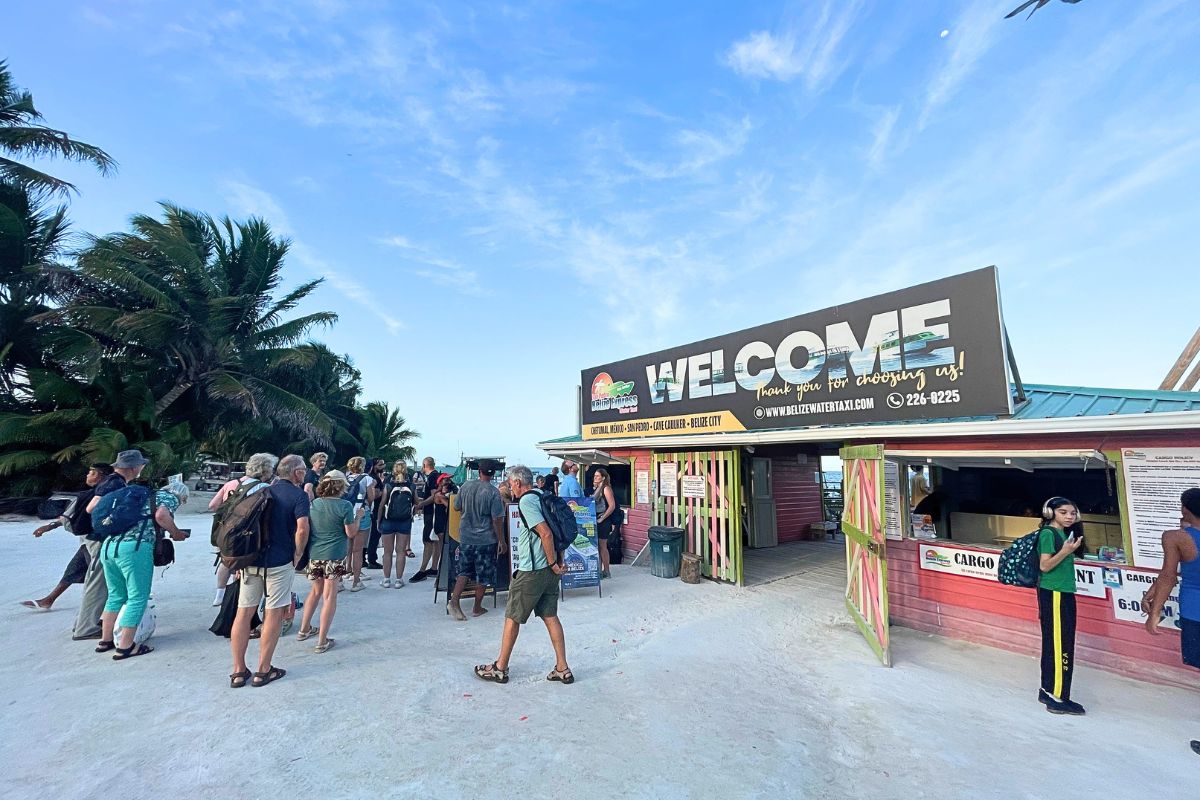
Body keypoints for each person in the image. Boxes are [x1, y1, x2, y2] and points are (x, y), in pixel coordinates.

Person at [475, 465, 571, 685]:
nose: (510, 487)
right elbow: (558, 533)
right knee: (550, 616)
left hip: (532, 570)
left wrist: (552, 563)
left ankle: (500, 668)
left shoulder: (527, 501)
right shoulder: (544, 497)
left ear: (518, 482)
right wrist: (557, 563)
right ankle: (562, 668)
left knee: (512, 617)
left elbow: (546, 533)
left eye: (510, 483)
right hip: (549, 571)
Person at [230, 454, 309, 688]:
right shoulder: (298, 495)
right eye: (303, 470)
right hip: (279, 562)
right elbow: (302, 529)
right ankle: (263, 670)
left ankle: (238, 670)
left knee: (243, 614)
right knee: (273, 613)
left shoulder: (259, 489)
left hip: (251, 560)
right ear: (296, 473)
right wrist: (297, 554)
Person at [97, 468, 191, 659]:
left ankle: (105, 640)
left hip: (108, 546)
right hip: (134, 548)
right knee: (137, 597)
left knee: (115, 595)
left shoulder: (142, 496)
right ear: (181, 495)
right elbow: (161, 516)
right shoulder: (170, 496)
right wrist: (176, 533)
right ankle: (125, 646)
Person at [1143, 487, 1200, 756]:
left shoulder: (1176, 537)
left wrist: (1155, 612)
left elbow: (1169, 575)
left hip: (1196, 614)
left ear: (1184, 509)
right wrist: (1152, 592)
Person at [22, 463, 112, 611]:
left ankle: (98, 611)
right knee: (75, 570)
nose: (88, 475)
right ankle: (49, 600)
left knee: (96, 577)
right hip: (91, 541)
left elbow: (68, 517)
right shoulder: (104, 493)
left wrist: (49, 526)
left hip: (95, 541)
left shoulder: (92, 495)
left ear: (101, 475)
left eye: (91, 472)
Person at [74, 452, 140, 640]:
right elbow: (91, 508)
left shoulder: (113, 481)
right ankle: (86, 628)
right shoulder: (115, 483)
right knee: (97, 583)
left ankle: (83, 623)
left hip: (95, 536)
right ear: (133, 467)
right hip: (98, 537)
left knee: (97, 581)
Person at [296, 470, 359, 653]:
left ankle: (304, 629)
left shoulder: (314, 504)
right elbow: (351, 533)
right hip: (335, 555)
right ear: (341, 486)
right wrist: (359, 517)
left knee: (315, 591)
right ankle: (322, 640)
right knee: (329, 596)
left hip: (315, 554)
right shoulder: (345, 506)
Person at [1035, 496, 1085, 715]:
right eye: (1063, 512)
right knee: (1059, 646)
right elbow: (1045, 566)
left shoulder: (1064, 534)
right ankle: (1057, 697)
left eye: (1072, 513)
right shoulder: (1048, 533)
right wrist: (1066, 551)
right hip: (1054, 593)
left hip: (1062, 592)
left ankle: (1048, 690)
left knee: (1059, 644)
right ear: (1050, 513)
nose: (1069, 516)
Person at [208, 453, 277, 607]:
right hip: (245, 537)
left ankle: (220, 594)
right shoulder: (263, 488)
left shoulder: (234, 483)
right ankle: (237, 598)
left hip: (226, 532)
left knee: (226, 563)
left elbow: (213, 505)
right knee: (244, 573)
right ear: (265, 470)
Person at [450, 459, 507, 620]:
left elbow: (456, 506)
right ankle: (477, 607)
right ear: (493, 473)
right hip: (486, 539)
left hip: (466, 536)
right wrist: (501, 541)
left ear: (479, 471)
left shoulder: (466, 486)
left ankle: (454, 601)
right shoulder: (493, 492)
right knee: (483, 574)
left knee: (464, 571)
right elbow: (497, 519)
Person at [377, 461, 415, 588]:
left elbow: (382, 504)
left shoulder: (388, 485)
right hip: (404, 521)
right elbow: (416, 503)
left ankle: (386, 579)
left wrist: (378, 520)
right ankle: (399, 580)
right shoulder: (411, 485)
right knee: (400, 552)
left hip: (388, 521)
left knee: (387, 552)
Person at [342, 456, 376, 591]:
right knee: (358, 550)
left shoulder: (345, 478)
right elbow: (371, 497)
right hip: (361, 512)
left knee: (346, 547)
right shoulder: (367, 478)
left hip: (346, 512)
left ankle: (342, 576)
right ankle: (356, 581)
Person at [593, 467, 618, 579]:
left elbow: (612, 506)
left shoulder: (606, 488)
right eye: (594, 476)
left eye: (597, 476)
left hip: (604, 520)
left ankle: (606, 570)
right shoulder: (597, 488)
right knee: (597, 546)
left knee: (603, 546)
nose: (595, 477)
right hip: (596, 519)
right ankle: (599, 571)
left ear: (603, 477)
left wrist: (603, 518)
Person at [365, 457, 388, 569]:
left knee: (369, 536)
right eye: (380, 465)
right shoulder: (373, 478)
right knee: (374, 535)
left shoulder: (375, 477)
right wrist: (384, 492)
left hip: (374, 509)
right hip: (375, 509)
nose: (383, 467)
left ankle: (365, 559)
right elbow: (374, 495)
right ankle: (372, 560)